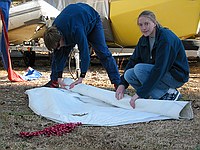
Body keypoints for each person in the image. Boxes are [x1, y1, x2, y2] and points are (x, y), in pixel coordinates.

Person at [115, 10, 189, 108]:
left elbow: (160, 68)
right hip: (161, 73)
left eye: (147, 24)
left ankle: (169, 93)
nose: (144, 28)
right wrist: (122, 84)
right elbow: (133, 61)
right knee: (129, 75)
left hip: (176, 76)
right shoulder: (144, 39)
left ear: (154, 23)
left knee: (139, 69)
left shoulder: (165, 38)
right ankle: (155, 96)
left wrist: (140, 93)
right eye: (140, 25)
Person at [43, 3, 120, 89]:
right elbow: (58, 56)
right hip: (73, 22)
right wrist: (59, 76)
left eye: (58, 45)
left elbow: (84, 53)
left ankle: (117, 83)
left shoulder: (76, 30)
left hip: (92, 21)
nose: (58, 48)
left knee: (102, 52)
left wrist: (81, 76)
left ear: (60, 38)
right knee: (60, 53)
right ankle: (54, 81)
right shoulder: (54, 31)